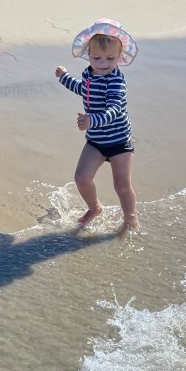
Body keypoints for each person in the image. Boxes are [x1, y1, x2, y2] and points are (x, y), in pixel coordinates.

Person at [55, 18, 139, 231]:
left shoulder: (115, 81)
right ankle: (94, 208)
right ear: (88, 54)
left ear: (119, 56)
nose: (103, 63)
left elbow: (114, 108)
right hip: (96, 141)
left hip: (119, 141)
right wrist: (64, 78)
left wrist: (92, 120)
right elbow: (82, 89)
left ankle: (131, 219)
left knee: (121, 186)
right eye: (97, 57)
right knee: (81, 179)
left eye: (110, 58)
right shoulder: (89, 74)